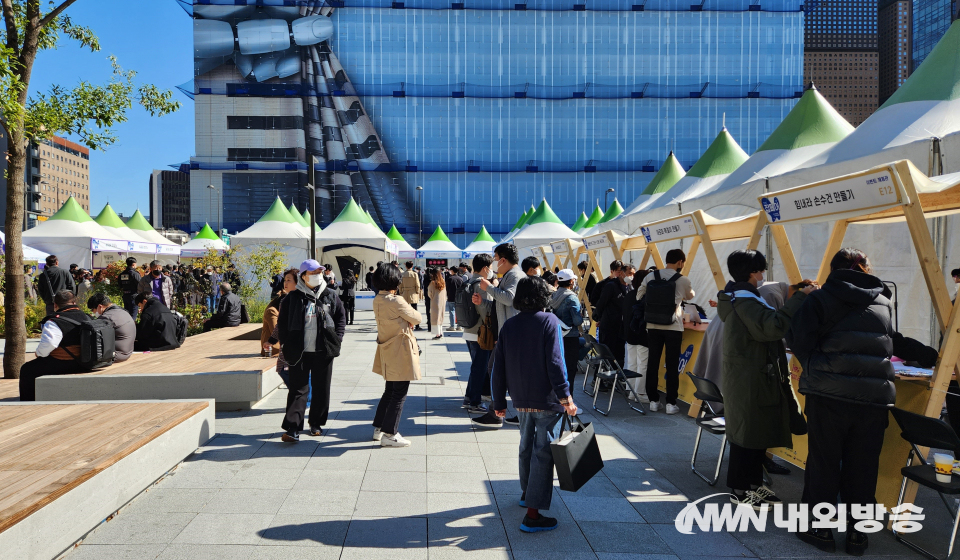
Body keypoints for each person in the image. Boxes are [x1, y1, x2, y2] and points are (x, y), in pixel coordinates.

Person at [791, 248, 938, 555]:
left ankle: (820, 530)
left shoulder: (817, 299)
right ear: (863, 269)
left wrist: (820, 368)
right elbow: (893, 340)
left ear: (834, 270)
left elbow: (798, 341)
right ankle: (859, 535)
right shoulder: (882, 301)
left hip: (828, 397)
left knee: (824, 462)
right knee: (863, 466)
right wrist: (934, 356)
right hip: (873, 400)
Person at [715, 250, 812, 511]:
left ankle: (753, 484)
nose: (762, 276)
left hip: (750, 377)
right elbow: (773, 327)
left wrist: (797, 291)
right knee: (747, 437)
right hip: (751, 379)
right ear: (751, 272)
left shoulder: (736, 297)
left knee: (753, 435)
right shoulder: (746, 302)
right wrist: (800, 298)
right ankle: (740, 490)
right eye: (759, 271)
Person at [491, 276, 578, 533]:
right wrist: (567, 398)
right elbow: (555, 363)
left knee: (525, 446)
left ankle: (526, 493)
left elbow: (498, 367)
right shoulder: (548, 321)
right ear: (544, 298)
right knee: (543, 453)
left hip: (520, 399)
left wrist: (499, 401)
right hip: (546, 399)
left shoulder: (509, 325)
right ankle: (533, 513)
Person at [278, 260, 347, 442]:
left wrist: (337, 339)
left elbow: (341, 317)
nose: (317, 275)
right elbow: (282, 324)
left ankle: (316, 423)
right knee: (298, 390)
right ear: (303, 276)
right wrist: (285, 344)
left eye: (319, 271)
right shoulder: (292, 298)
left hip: (324, 351)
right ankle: (293, 427)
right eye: (312, 272)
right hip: (298, 352)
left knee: (321, 389)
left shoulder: (330, 295)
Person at [371, 263, 423, 447]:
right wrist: (406, 320)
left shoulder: (378, 299)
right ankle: (390, 433)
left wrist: (403, 320)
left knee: (389, 390)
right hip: (400, 349)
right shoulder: (396, 301)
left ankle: (378, 428)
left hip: (387, 348)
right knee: (399, 393)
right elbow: (417, 318)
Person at [636, 249, 694, 414]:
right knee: (672, 364)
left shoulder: (651, 276)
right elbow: (690, 296)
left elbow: (639, 296)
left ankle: (653, 401)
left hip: (653, 326)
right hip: (673, 327)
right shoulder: (682, 279)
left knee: (652, 363)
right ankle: (670, 403)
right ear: (680, 262)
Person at [472, 243, 524, 428]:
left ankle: (502, 413)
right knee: (497, 371)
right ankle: (499, 413)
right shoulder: (510, 275)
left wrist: (488, 288)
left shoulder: (515, 276)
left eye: (495, 260)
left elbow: (509, 298)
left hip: (511, 335)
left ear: (503, 259)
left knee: (499, 372)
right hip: (506, 334)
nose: (494, 264)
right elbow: (500, 305)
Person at [19, 290, 90, 401]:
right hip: (87, 362)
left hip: (65, 363)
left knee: (27, 369)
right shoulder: (87, 317)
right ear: (74, 302)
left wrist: (39, 353)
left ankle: (28, 401)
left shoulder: (55, 321)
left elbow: (50, 343)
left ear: (55, 305)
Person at [463, 253, 495, 413]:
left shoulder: (468, 280)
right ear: (485, 268)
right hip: (480, 332)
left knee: (476, 366)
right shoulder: (481, 285)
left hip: (469, 330)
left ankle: (469, 397)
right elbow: (484, 310)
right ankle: (474, 402)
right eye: (491, 267)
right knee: (480, 368)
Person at [548, 269, 584, 388]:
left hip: (556, 336)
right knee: (569, 371)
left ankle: (558, 400)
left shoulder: (554, 295)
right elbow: (577, 321)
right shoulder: (572, 298)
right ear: (571, 282)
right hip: (570, 337)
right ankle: (568, 401)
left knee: (558, 369)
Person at [263, 268, 299, 382]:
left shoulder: (305, 299)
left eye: (289, 280)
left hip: (301, 348)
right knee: (283, 371)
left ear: (298, 283)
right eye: (285, 280)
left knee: (300, 385)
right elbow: (280, 324)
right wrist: (271, 341)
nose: (285, 283)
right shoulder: (285, 301)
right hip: (288, 347)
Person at [621, 269, 651, 401]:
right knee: (642, 363)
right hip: (642, 334)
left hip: (629, 333)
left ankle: (632, 391)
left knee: (632, 363)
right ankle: (641, 393)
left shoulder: (629, 294)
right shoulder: (645, 295)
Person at [594, 260, 628, 367]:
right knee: (607, 356)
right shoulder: (608, 285)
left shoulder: (628, 286)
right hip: (609, 326)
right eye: (618, 271)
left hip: (620, 328)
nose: (621, 273)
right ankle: (602, 380)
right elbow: (599, 304)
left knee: (619, 356)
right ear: (612, 271)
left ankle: (615, 380)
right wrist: (599, 318)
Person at [87, 292, 135, 362]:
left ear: (100, 307)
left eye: (92, 310)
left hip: (115, 355)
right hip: (127, 353)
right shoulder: (123, 312)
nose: (93, 313)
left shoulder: (107, 317)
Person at [398, 261, 423, 330]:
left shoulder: (403, 274)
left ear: (406, 266)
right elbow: (418, 284)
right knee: (415, 309)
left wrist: (401, 292)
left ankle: (406, 324)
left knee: (405, 309)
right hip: (413, 292)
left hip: (405, 292)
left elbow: (400, 284)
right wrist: (417, 291)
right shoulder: (415, 274)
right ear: (412, 266)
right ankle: (417, 325)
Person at [428, 268, 448, 339]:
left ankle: (437, 334)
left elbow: (429, 293)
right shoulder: (443, 281)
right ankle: (440, 332)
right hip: (442, 302)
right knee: (440, 317)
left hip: (435, 301)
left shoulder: (432, 283)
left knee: (435, 318)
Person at [445, 266, 463, 331]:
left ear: (452, 271)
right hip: (459, 297)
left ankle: (452, 326)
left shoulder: (450, 279)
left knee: (452, 311)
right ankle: (459, 326)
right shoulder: (460, 279)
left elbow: (447, 288)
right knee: (459, 312)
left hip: (451, 297)